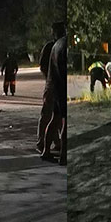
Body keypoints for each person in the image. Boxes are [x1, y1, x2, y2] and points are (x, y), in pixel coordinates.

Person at [37, 22, 65, 154]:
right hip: (53, 85)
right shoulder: (50, 47)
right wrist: (49, 78)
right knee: (48, 115)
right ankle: (41, 143)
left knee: (57, 116)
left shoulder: (57, 45)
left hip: (55, 85)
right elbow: (43, 66)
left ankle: (57, 143)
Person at [41, 29, 67, 165]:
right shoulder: (64, 45)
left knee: (55, 119)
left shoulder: (55, 45)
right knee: (64, 122)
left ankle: (46, 151)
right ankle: (63, 155)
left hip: (54, 85)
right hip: (62, 87)